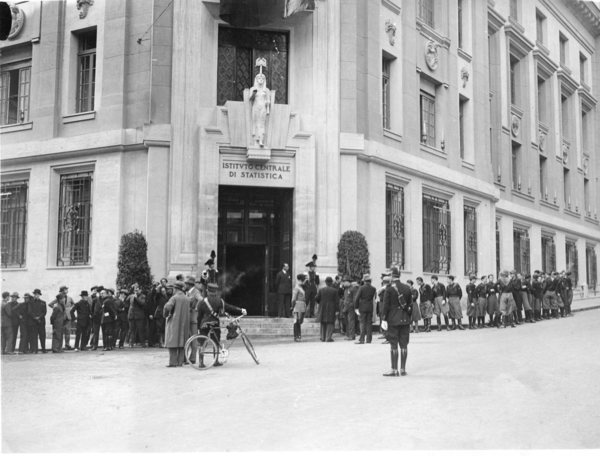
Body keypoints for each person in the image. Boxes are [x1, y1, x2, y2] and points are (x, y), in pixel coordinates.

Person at [197, 282, 247, 366]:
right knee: (216, 341)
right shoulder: (220, 301)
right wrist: (241, 310)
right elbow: (229, 307)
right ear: (216, 292)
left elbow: (199, 316)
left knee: (202, 342)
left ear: (207, 291)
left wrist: (198, 327)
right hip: (215, 323)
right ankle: (215, 361)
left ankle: (201, 363)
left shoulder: (202, 302)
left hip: (204, 324)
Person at [381, 267, 413, 377]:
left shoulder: (389, 289)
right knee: (404, 345)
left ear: (391, 276)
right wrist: (407, 317)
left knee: (393, 345)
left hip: (393, 320)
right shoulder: (407, 288)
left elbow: (385, 306)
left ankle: (394, 370)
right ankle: (403, 369)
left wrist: (384, 319)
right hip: (405, 320)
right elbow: (410, 305)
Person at [163, 281, 191, 367]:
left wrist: (166, 315)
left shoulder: (174, 298)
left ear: (175, 289)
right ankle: (180, 362)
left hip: (174, 323)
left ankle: (173, 362)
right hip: (185, 323)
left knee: (172, 342)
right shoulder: (187, 298)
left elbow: (167, 307)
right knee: (182, 343)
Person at [249, 71, 271, 147]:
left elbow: (268, 100)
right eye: (259, 78)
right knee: (256, 123)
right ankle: (256, 138)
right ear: (256, 79)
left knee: (261, 124)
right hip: (255, 107)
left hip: (263, 108)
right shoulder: (253, 89)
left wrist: (268, 102)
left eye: (262, 78)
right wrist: (254, 94)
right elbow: (250, 99)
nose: (261, 79)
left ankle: (261, 139)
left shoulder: (266, 90)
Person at [354, 274, 377, 343]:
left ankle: (362, 339)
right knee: (369, 323)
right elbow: (374, 297)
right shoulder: (373, 288)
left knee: (362, 323)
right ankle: (369, 339)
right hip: (370, 307)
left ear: (364, 281)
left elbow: (356, 298)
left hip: (362, 307)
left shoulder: (361, 288)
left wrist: (356, 307)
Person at [316, 276, 339, 342]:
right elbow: (337, 301)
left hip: (322, 308)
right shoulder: (335, 291)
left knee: (323, 322)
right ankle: (328, 337)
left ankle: (322, 337)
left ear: (326, 282)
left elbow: (316, 298)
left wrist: (321, 303)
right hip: (332, 308)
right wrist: (337, 310)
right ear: (331, 283)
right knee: (330, 322)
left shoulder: (321, 290)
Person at [185, 276, 202, 364]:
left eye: (186, 284)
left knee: (193, 339)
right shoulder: (188, 292)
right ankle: (188, 357)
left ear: (189, 285)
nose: (185, 285)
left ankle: (193, 358)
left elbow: (201, 300)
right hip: (188, 318)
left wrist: (195, 308)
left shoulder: (195, 292)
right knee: (188, 338)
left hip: (193, 319)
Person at [291, 274, 307, 342]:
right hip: (297, 306)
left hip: (301, 306)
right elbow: (293, 299)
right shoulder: (297, 288)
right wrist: (292, 306)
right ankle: (296, 336)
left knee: (299, 321)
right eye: (304, 281)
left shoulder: (301, 287)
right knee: (296, 321)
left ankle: (299, 335)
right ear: (300, 280)